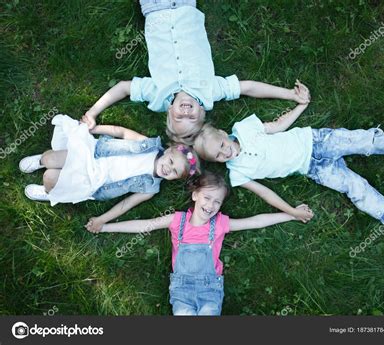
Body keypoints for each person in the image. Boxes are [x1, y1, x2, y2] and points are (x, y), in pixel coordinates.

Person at [192, 84, 384, 231]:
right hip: (312, 168)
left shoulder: (244, 127)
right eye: (218, 155)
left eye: (223, 144)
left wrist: (300, 105)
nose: (225, 151)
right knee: (356, 188)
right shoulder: (238, 174)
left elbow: (277, 126)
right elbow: (265, 194)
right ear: (216, 161)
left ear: (225, 133)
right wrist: (292, 212)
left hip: (316, 140)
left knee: (367, 140)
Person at [81, 1, 309, 144]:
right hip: (184, 7)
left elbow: (122, 88)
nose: (186, 113)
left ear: (169, 110)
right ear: (202, 112)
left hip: (153, 8)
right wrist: (289, 94)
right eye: (192, 118)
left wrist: (92, 112)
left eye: (179, 117)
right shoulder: (210, 91)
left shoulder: (157, 95)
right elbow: (248, 87)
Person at [86, 171, 302, 315]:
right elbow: (144, 225)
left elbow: (255, 222)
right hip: (181, 291)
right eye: (207, 198)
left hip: (210, 290)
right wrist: (105, 226)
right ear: (196, 195)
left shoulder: (219, 224)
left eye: (217, 202)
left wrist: (291, 215)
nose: (211, 205)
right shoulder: (176, 220)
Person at [19, 114, 199, 230]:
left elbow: (126, 204)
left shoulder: (150, 188)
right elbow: (120, 132)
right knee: (50, 158)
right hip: (92, 154)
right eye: (171, 161)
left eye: (174, 172)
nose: (168, 168)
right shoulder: (148, 145)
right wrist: (94, 129)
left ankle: (49, 192)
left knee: (49, 177)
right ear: (168, 151)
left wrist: (102, 220)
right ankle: (40, 160)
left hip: (94, 181)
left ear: (175, 178)